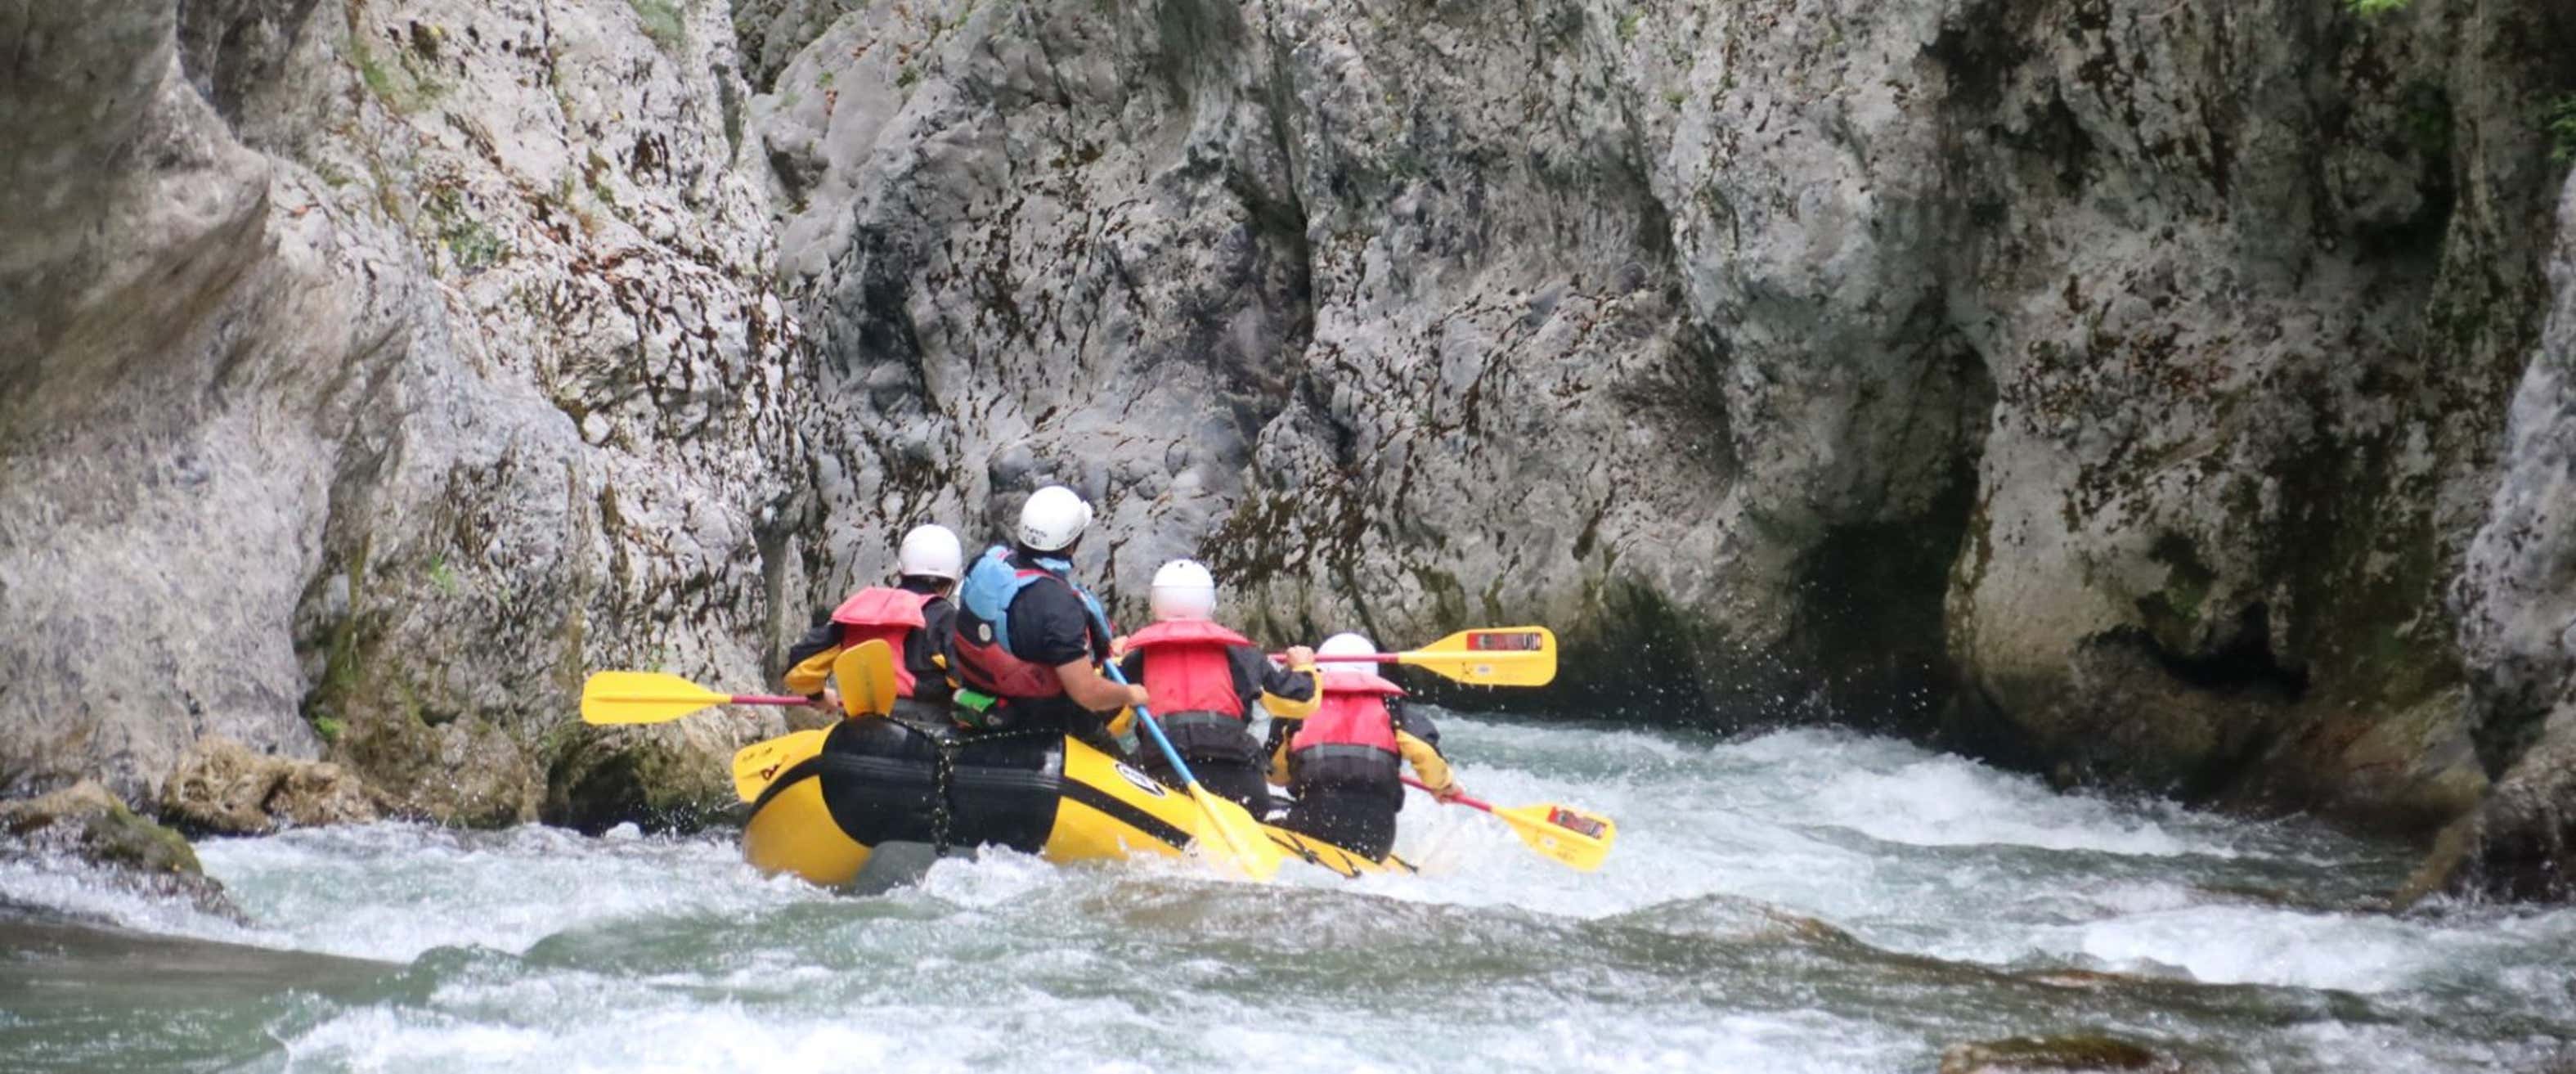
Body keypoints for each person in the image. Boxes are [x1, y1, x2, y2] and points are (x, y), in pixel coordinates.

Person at [949, 485, 1145, 757]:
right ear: (1072, 544)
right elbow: (1086, 693)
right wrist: (1130, 694)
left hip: (983, 699)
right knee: (1123, 753)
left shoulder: (985, 564)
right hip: (1040, 723)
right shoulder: (1059, 608)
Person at [1112, 559, 1318, 815]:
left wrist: (1114, 662)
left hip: (1166, 776)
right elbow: (1300, 701)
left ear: (1155, 605)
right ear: (1211, 605)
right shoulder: (1243, 654)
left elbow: (1109, 719)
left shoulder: (1137, 660)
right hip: (1238, 779)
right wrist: (1304, 667)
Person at [1268, 631, 1463, 860]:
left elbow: (1276, 775)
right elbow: (1425, 754)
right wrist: (1443, 785)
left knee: (1260, 806)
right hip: (1378, 837)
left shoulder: (1299, 709)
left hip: (1315, 823)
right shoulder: (1392, 708)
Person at [783, 524, 963, 724]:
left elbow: (798, 668)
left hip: (862, 729)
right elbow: (963, 683)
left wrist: (817, 695)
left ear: (901, 571)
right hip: (926, 733)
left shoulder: (863, 611)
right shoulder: (946, 618)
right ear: (951, 582)